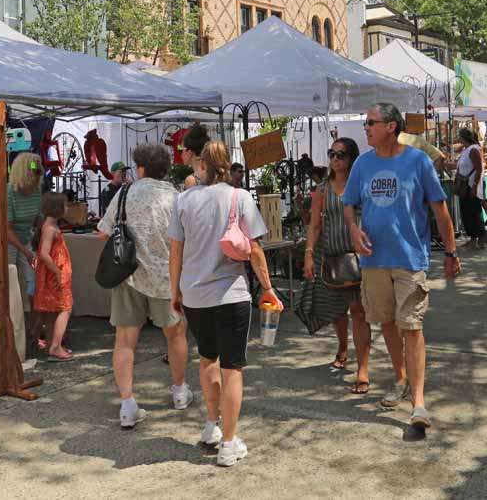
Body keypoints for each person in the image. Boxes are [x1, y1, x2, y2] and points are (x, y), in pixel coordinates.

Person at [342, 103, 460, 431]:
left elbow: (441, 212)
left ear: (391, 127)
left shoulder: (417, 161)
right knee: (388, 324)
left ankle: (418, 403)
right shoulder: (362, 165)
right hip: (373, 261)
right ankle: (401, 378)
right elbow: (349, 205)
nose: (365, 128)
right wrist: (354, 229)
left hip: (410, 259)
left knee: (412, 327)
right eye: (366, 123)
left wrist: (451, 253)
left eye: (370, 123)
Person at [169, 140, 281, 467]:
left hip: (194, 295)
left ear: (203, 165)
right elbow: (257, 249)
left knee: (207, 359)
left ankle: (211, 426)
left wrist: (174, 290)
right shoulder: (239, 197)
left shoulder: (184, 201)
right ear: (226, 166)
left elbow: (175, 251)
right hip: (231, 294)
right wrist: (268, 288)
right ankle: (229, 443)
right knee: (233, 367)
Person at [97, 144, 192, 429]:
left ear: (140, 168)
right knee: (176, 335)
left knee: (125, 341)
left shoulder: (125, 193)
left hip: (130, 276)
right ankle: (179, 391)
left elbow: (104, 233)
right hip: (167, 278)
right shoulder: (177, 198)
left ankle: (127, 404)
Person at [303, 137, 371, 393]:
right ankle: (343, 346)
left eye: (341, 155)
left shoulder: (362, 185)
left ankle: (363, 368)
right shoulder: (322, 189)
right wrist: (309, 254)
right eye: (332, 154)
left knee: (359, 311)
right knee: (338, 311)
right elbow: (315, 225)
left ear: (351, 158)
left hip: (359, 256)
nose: (335, 159)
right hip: (332, 256)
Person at [0, 153, 44, 348]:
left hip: (24, 240)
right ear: (24, 174)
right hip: (4, 240)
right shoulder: (9, 192)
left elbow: (39, 218)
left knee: (34, 281)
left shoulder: (37, 191)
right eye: (34, 172)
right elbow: (6, 229)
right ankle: (7, 328)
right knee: (8, 282)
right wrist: (28, 252)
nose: (37, 177)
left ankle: (34, 327)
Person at [32, 193, 74, 362]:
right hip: (55, 275)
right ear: (57, 208)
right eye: (65, 206)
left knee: (53, 310)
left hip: (54, 274)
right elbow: (43, 253)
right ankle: (56, 346)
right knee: (66, 308)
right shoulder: (50, 228)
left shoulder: (49, 225)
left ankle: (52, 344)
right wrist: (57, 271)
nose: (67, 208)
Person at [452, 128, 485, 249]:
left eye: (459, 136)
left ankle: (479, 237)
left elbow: (479, 168)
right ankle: (473, 238)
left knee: (474, 212)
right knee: (467, 212)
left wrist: (475, 186)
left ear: (463, 137)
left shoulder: (474, 150)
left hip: (470, 185)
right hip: (465, 185)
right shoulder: (466, 150)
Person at [180, 123, 210, 189]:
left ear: (190, 152)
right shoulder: (212, 173)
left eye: (181, 149)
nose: (181, 154)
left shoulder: (191, 180)